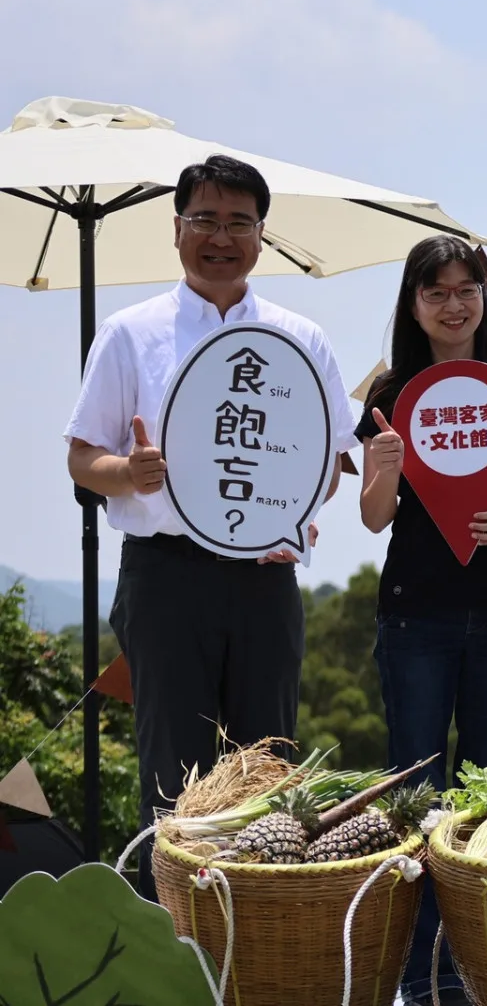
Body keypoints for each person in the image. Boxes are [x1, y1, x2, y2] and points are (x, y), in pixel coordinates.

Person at [63, 154, 356, 897]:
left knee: (270, 768)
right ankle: (173, 944)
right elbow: (81, 455)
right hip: (166, 575)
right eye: (204, 220)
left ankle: (270, 940)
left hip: (265, 576)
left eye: (238, 222)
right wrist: (126, 473)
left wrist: (298, 507)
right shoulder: (131, 333)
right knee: (173, 772)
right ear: (176, 230)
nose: (220, 237)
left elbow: (331, 461)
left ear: (262, 236)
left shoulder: (300, 338)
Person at [358, 235, 487, 1006]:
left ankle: (474, 968)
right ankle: (417, 971)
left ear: (485, 296)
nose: (454, 304)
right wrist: (383, 468)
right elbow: (376, 518)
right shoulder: (391, 387)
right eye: (436, 291)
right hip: (414, 615)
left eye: (467, 288)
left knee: (485, 791)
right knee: (415, 788)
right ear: (413, 303)